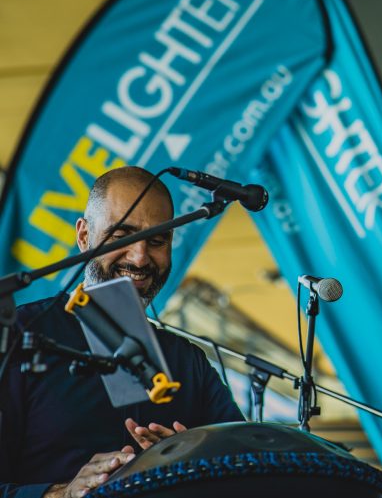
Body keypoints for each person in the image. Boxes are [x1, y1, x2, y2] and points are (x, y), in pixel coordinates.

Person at [0, 167, 245, 498]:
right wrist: (62, 493)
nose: (140, 257)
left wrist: (189, 464)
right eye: (123, 237)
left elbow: (247, 471)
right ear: (84, 236)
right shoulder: (15, 335)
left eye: (158, 240)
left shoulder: (188, 362)